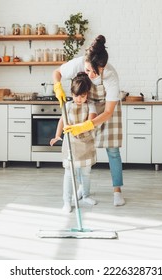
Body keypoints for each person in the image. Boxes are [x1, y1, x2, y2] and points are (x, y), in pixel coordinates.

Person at [53, 35, 125, 206]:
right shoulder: (79, 63)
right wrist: (58, 86)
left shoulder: (111, 75)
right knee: (80, 148)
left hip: (107, 109)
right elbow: (57, 73)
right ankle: (81, 189)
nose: (91, 75)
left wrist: (87, 125)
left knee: (113, 151)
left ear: (103, 67)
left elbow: (108, 111)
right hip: (85, 105)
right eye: (87, 71)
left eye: (95, 72)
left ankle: (117, 192)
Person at [50, 72, 98, 213]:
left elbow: (91, 121)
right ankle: (67, 201)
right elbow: (62, 120)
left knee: (86, 173)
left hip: (86, 144)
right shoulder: (67, 105)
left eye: (82, 96)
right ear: (72, 93)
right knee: (69, 174)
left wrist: (82, 127)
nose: (79, 99)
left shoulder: (91, 105)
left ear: (87, 94)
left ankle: (85, 195)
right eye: (76, 95)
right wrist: (57, 135)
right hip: (70, 144)